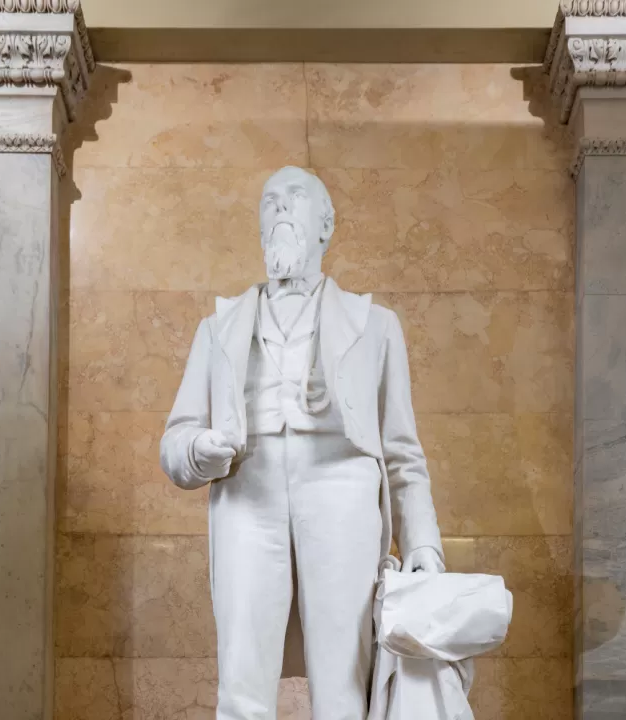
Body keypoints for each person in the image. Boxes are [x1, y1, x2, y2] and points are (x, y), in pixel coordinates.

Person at [160, 166, 444, 720]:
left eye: (295, 199)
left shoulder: (376, 325)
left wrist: (424, 548)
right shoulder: (218, 327)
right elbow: (176, 437)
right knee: (240, 681)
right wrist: (201, 450)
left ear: (326, 224)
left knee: (343, 685)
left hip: (341, 493)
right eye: (269, 202)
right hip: (247, 494)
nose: (281, 210)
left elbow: (404, 452)